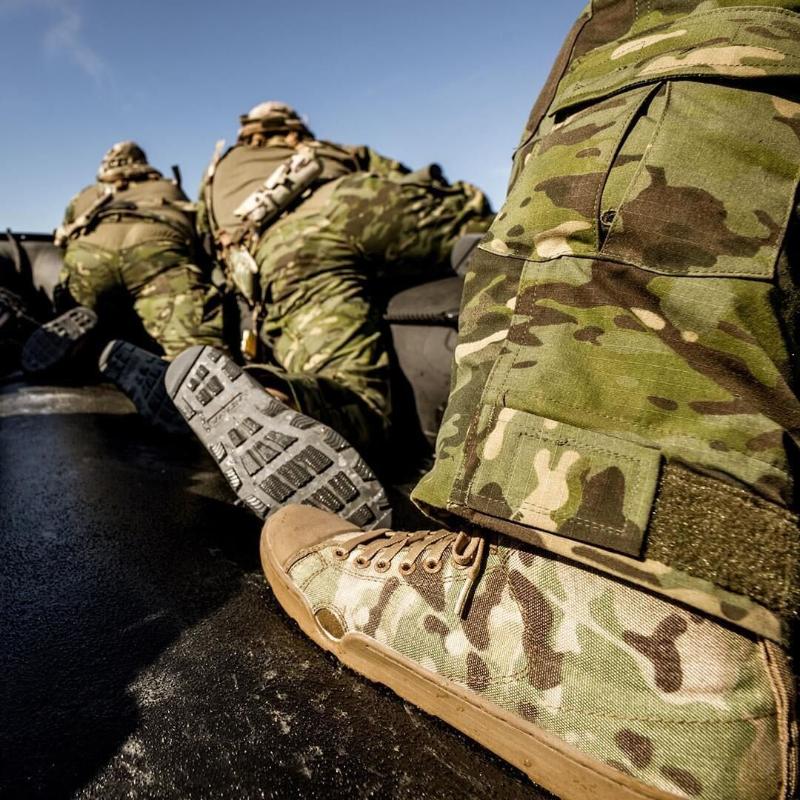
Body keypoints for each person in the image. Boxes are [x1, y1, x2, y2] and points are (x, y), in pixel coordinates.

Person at [258, 2, 800, 799]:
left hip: (272, 274)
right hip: (351, 232)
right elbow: (443, 215)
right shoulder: (337, 175)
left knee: (677, 31)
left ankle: (622, 600)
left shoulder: (234, 197)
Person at [130, 102, 492, 523]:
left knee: (354, 395)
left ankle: (276, 396)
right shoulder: (319, 148)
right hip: (352, 203)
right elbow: (396, 174)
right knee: (491, 222)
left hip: (280, 251)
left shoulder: (217, 176)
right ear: (291, 130)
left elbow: (208, 245)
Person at [22, 141, 224, 380]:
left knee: (82, 312)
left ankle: (86, 348)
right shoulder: (168, 189)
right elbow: (202, 241)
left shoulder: (86, 195)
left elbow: (63, 243)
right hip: (155, 252)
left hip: (89, 256)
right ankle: (186, 369)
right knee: (194, 350)